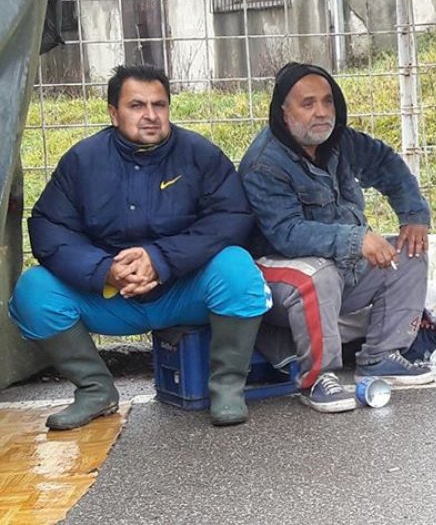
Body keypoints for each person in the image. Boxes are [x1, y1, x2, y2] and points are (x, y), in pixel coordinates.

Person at [8, 65, 270, 429]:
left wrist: (161, 259)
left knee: (237, 269)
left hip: (183, 289)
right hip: (111, 296)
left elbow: (232, 216)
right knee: (33, 290)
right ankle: (95, 390)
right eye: (136, 105)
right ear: (113, 113)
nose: (151, 115)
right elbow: (49, 228)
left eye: (159, 105)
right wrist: (105, 270)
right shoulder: (83, 160)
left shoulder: (199, 153)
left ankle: (227, 386)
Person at [238, 62, 434, 414]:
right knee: (318, 275)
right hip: (276, 276)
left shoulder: (341, 141)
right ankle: (317, 379)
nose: (321, 112)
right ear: (284, 113)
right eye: (308, 103)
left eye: (327, 101)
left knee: (408, 253)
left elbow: (385, 163)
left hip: (337, 268)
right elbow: (287, 234)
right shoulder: (264, 163)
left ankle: (380, 356)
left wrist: (414, 215)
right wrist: (356, 239)